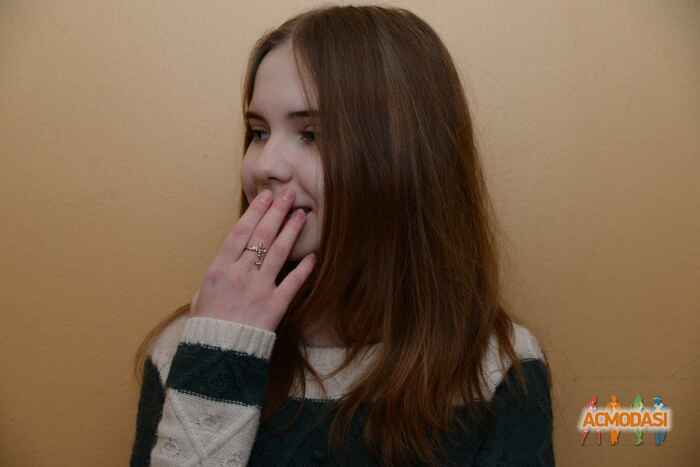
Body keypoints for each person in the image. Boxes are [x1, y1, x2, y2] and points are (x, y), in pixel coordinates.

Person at [129, 4, 555, 466]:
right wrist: (219, 352)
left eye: (310, 134)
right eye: (258, 132)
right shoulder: (185, 350)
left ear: (399, 155)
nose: (264, 165)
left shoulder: (498, 370)